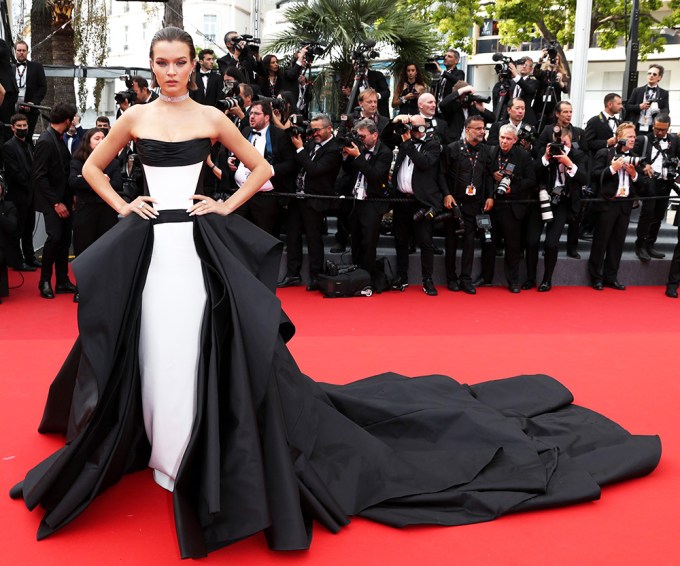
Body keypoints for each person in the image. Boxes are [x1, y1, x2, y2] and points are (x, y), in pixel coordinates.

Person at [10, 27, 661, 561]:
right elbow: (92, 169)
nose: (172, 71)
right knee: (155, 342)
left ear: (188, 66)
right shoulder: (133, 116)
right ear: (151, 66)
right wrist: (129, 205)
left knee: (195, 343)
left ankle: (193, 452)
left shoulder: (211, 116)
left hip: (197, 251)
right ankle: (163, 443)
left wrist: (222, 205)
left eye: (180, 62)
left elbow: (261, 169)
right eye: (163, 62)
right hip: (155, 249)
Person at [278, 113, 342, 290]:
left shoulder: (334, 150)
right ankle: (292, 274)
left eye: (317, 130)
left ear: (329, 128)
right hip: (298, 197)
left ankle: (316, 277)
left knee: (314, 239)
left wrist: (299, 149)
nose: (314, 134)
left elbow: (314, 170)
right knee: (292, 236)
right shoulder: (311, 144)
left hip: (315, 199)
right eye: (312, 130)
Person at [588, 122, 649, 290]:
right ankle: (596, 277)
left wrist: (634, 174)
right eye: (629, 136)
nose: (633, 140)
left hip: (625, 206)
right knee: (601, 242)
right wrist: (612, 169)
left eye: (634, 137)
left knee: (617, 243)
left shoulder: (635, 157)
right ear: (619, 137)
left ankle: (611, 277)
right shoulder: (604, 153)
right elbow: (594, 175)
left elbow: (643, 184)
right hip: (608, 204)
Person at [527, 128, 588, 292]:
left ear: (570, 142)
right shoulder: (545, 153)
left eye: (564, 143)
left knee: (551, 243)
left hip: (562, 203)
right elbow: (533, 173)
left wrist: (568, 163)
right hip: (541, 199)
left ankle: (547, 280)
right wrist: (546, 157)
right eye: (557, 143)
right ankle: (530, 278)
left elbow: (584, 178)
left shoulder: (577, 155)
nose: (560, 147)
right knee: (532, 241)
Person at [439, 115, 494, 294]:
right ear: (467, 129)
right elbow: (442, 174)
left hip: (475, 204)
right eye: (478, 128)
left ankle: (466, 278)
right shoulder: (452, 149)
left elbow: (488, 177)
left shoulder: (486, 151)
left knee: (470, 243)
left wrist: (490, 196)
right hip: (454, 203)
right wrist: (446, 194)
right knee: (451, 242)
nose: (481, 131)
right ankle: (451, 278)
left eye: (483, 128)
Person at [390, 114, 442, 295]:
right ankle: (401, 276)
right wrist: (395, 122)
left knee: (425, 242)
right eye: (411, 127)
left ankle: (427, 279)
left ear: (426, 127)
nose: (414, 131)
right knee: (400, 240)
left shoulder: (433, 145)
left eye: (418, 127)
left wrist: (408, 144)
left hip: (421, 201)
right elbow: (385, 138)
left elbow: (424, 163)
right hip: (401, 199)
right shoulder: (404, 140)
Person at [69, 127, 123, 301]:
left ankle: (105, 288)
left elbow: (117, 183)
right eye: (96, 138)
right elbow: (73, 182)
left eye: (103, 138)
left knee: (107, 250)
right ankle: (81, 288)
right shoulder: (78, 161)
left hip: (107, 211)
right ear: (88, 142)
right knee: (84, 250)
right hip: (85, 212)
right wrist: (97, 180)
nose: (100, 141)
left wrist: (97, 181)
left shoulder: (114, 163)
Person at [32, 102, 77, 299]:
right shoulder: (45, 141)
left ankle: (62, 280)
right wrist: (56, 203)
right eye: (73, 119)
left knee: (65, 240)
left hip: (65, 199)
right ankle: (44, 281)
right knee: (55, 238)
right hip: (53, 202)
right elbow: (39, 176)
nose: (74, 122)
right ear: (67, 120)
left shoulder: (57, 138)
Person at [487, 124, 535, 292]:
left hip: (512, 206)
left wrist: (512, 187)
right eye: (502, 138)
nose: (504, 141)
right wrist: (493, 175)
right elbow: (483, 173)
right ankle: (486, 278)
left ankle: (513, 281)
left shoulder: (524, 156)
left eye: (508, 138)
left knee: (512, 246)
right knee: (489, 242)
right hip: (492, 205)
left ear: (515, 140)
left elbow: (531, 181)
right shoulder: (491, 152)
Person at [634, 114, 680, 262]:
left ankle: (650, 244)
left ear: (668, 128)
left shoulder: (674, 140)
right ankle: (640, 245)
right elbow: (633, 154)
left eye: (663, 130)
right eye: (657, 128)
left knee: (659, 215)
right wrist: (643, 165)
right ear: (653, 125)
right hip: (650, 180)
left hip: (666, 181)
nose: (660, 132)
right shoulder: (644, 139)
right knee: (647, 213)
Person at [2, 113, 39, 271]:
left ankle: (30, 257)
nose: (23, 129)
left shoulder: (29, 145)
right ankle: (17, 262)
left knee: (29, 228)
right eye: (19, 127)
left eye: (25, 126)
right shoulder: (8, 146)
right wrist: (30, 185)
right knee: (17, 230)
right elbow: (14, 173)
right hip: (17, 195)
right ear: (13, 128)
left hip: (30, 195)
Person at [13, 40, 47, 142]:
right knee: (12, 137)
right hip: (13, 109)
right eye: (19, 50)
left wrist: (33, 103)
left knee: (27, 138)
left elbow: (42, 87)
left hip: (30, 110)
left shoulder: (37, 67)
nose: (21, 52)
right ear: (15, 51)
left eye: (24, 50)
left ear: (27, 52)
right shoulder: (10, 68)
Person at [624, 64, 669, 133]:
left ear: (659, 77)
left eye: (654, 74)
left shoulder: (664, 93)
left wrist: (658, 111)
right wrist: (639, 106)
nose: (651, 75)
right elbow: (627, 106)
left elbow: (667, 110)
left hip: (653, 127)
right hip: (637, 126)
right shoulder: (637, 90)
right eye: (649, 73)